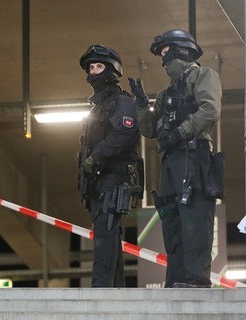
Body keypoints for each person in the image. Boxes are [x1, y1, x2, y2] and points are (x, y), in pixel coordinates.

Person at [128, 29, 222, 288]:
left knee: (194, 220)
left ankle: (196, 280)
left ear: (183, 50)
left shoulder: (203, 76)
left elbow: (210, 109)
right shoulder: (165, 93)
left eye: (166, 52)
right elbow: (148, 129)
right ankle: (177, 280)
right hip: (170, 162)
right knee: (172, 222)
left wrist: (180, 132)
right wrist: (140, 104)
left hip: (194, 156)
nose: (163, 59)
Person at [77, 44, 141, 287]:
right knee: (108, 236)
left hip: (113, 177)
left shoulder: (121, 102)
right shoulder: (98, 107)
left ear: (112, 70)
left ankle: (101, 290)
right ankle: (114, 289)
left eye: (99, 66)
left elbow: (124, 133)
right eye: (91, 67)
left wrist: (96, 158)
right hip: (99, 179)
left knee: (106, 234)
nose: (94, 71)